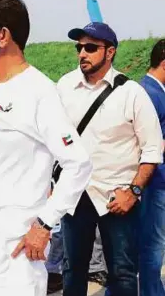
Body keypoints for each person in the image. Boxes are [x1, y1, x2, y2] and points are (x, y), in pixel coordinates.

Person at [0, 0, 93, 296]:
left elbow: (78, 164)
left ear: (3, 35)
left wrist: (44, 225)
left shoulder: (38, 92)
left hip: (15, 248)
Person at [56, 22, 163, 296]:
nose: (82, 53)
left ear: (110, 52)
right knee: (72, 271)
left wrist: (134, 191)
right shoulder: (65, 87)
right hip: (75, 194)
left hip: (117, 197)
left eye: (91, 47)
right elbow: (53, 139)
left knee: (123, 273)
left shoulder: (131, 93)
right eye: (79, 47)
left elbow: (152, 150)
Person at [139, 38, 165, 296]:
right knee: (152, 246)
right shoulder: (149, 93)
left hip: (157, 181)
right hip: (153, 183)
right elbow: (146, 142)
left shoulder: (154, 91)